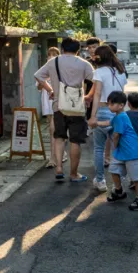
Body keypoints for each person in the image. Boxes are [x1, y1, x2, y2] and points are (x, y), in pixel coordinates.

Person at [34, 37, 94, 184]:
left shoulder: (53, 62)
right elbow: (96, 81)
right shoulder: (84, 64)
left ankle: (59, 168)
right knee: (75, 141)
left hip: (58, 106)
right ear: (78, 50)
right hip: (76, 107)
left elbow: (38, 76)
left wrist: (50, 90)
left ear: (62, 49)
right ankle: (73, 174)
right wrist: (88, 96)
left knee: (59, 138)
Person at [87, 44, 127, 193]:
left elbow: (97, 94)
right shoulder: (121, 71)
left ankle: (100, 180)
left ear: (100, 56)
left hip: (103, 110)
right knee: (118, 147)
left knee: (99, 148)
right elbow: (122, 92)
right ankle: (121, 179)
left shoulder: (99, 72)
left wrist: (92, 116)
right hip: (119, 112)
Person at [104, 91, 138, 210]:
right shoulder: (117, 117)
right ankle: (119, 191)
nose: (109, 106)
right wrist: (95, 123)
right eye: (108, 104)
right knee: (114, 170)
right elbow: (108, 123)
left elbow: (116, 135)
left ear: (121, 105)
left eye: (111, 104)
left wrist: (114, 146)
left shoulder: (121, 117)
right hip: (122, 151)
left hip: (130, 151)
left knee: (136, 177)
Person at [40, 46, 61, 168]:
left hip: (57, 100)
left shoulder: (60, 68)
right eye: (49, 54)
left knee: (54, 129)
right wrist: (45, 81)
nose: (51, 56)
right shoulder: (44, 69)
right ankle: (59, 153)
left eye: (54, 54)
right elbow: (38, 85)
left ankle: (53, 158)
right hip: (46, 100)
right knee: (51, 128)